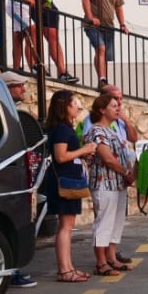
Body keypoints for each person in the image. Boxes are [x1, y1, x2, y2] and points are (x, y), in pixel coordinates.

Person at [44, 91, 96, 282]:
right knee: (65, 226)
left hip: (69, 179)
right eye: (75, 103)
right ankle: (65, 270)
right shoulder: (61, 129)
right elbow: (60, 156)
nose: (78, 107)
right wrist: (84, 150)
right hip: (64, 181)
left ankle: (68, 267)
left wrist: (81, 153)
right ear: (65, 106)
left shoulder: (63, 128)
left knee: (67, 225)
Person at [84, 93, 135, 274]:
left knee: (116, 222)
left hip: (117, 184)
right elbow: (107, 158)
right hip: (104, 183)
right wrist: (126, 172)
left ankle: (111, 257)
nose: (118, 108)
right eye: (113, 106)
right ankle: (101, 262)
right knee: (104, 221)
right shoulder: (97, 131)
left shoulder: (111, 130)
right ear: (102, 110)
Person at [82, 0, 128, 90]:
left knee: (103, 53)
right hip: (92, 25)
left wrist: (122, 24)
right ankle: (103, 80)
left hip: (109, 27)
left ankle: (103, 81)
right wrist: (90, 18)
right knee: (101, 48)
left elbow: (119, 6)